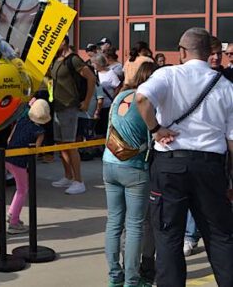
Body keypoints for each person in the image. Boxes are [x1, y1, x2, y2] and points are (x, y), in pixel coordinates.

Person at [135, 28, 233, 287]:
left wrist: (156, 130)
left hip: (171, 164)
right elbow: (232, 141)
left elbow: (142, 98)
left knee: (168, 237)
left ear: (182, 52)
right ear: (209, 52)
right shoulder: (226, 86)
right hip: (211, 166)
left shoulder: (167, 74)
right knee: (221, 236)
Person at [103, 61, 158, 287]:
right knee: (136, 225)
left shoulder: (120, 95)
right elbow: (154, 136)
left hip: (109, 163)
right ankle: (132, 280)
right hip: (135, 167)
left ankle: (114, 276)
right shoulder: (147, 102)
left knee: (114, 222)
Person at [50, 35, 96, 195]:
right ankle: (68, 176)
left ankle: (78, 181)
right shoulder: (56, 59)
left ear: (63, 42)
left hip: (69, 106)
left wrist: (87, 101)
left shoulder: (74, 60)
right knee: (61, 145)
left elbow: (91, 77)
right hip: (58, 106)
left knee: (70, 145)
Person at [5, 98, 49, 234]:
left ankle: (12, 213)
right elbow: (34, 152)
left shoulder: (21, 121)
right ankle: (13, 223)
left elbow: (9, 139)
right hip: (20, 162)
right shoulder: (39, 132)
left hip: (8, 157)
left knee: (20, 189)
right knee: (22, 190)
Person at [91, 54, 121, 136]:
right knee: (97, 129)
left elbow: (117, 86)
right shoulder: (94, 73)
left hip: (107, 105)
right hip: (96, 106)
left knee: (105, 126)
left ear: (99, 63)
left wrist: (114, 98)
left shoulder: (110, 73)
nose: (92, 65)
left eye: (93, 63)